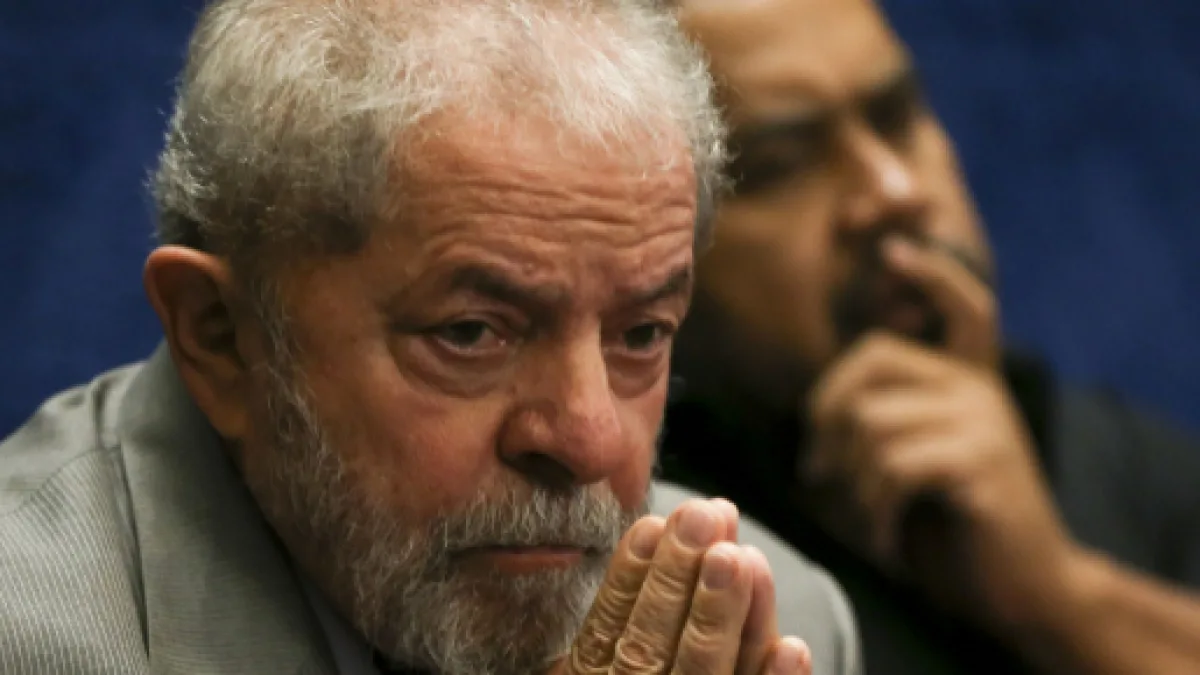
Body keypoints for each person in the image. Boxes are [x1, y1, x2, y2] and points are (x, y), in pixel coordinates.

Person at [0, 1, 863, 674]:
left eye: (640, 332)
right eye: (471, 332)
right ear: (222, 337)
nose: (591, 438)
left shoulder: (768, 629)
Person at [658, 0, 1200, 673]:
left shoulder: (1125, 463)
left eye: (896, 116)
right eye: (783, 163)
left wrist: (1062, 597)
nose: (895, 190)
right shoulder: (632, 535)